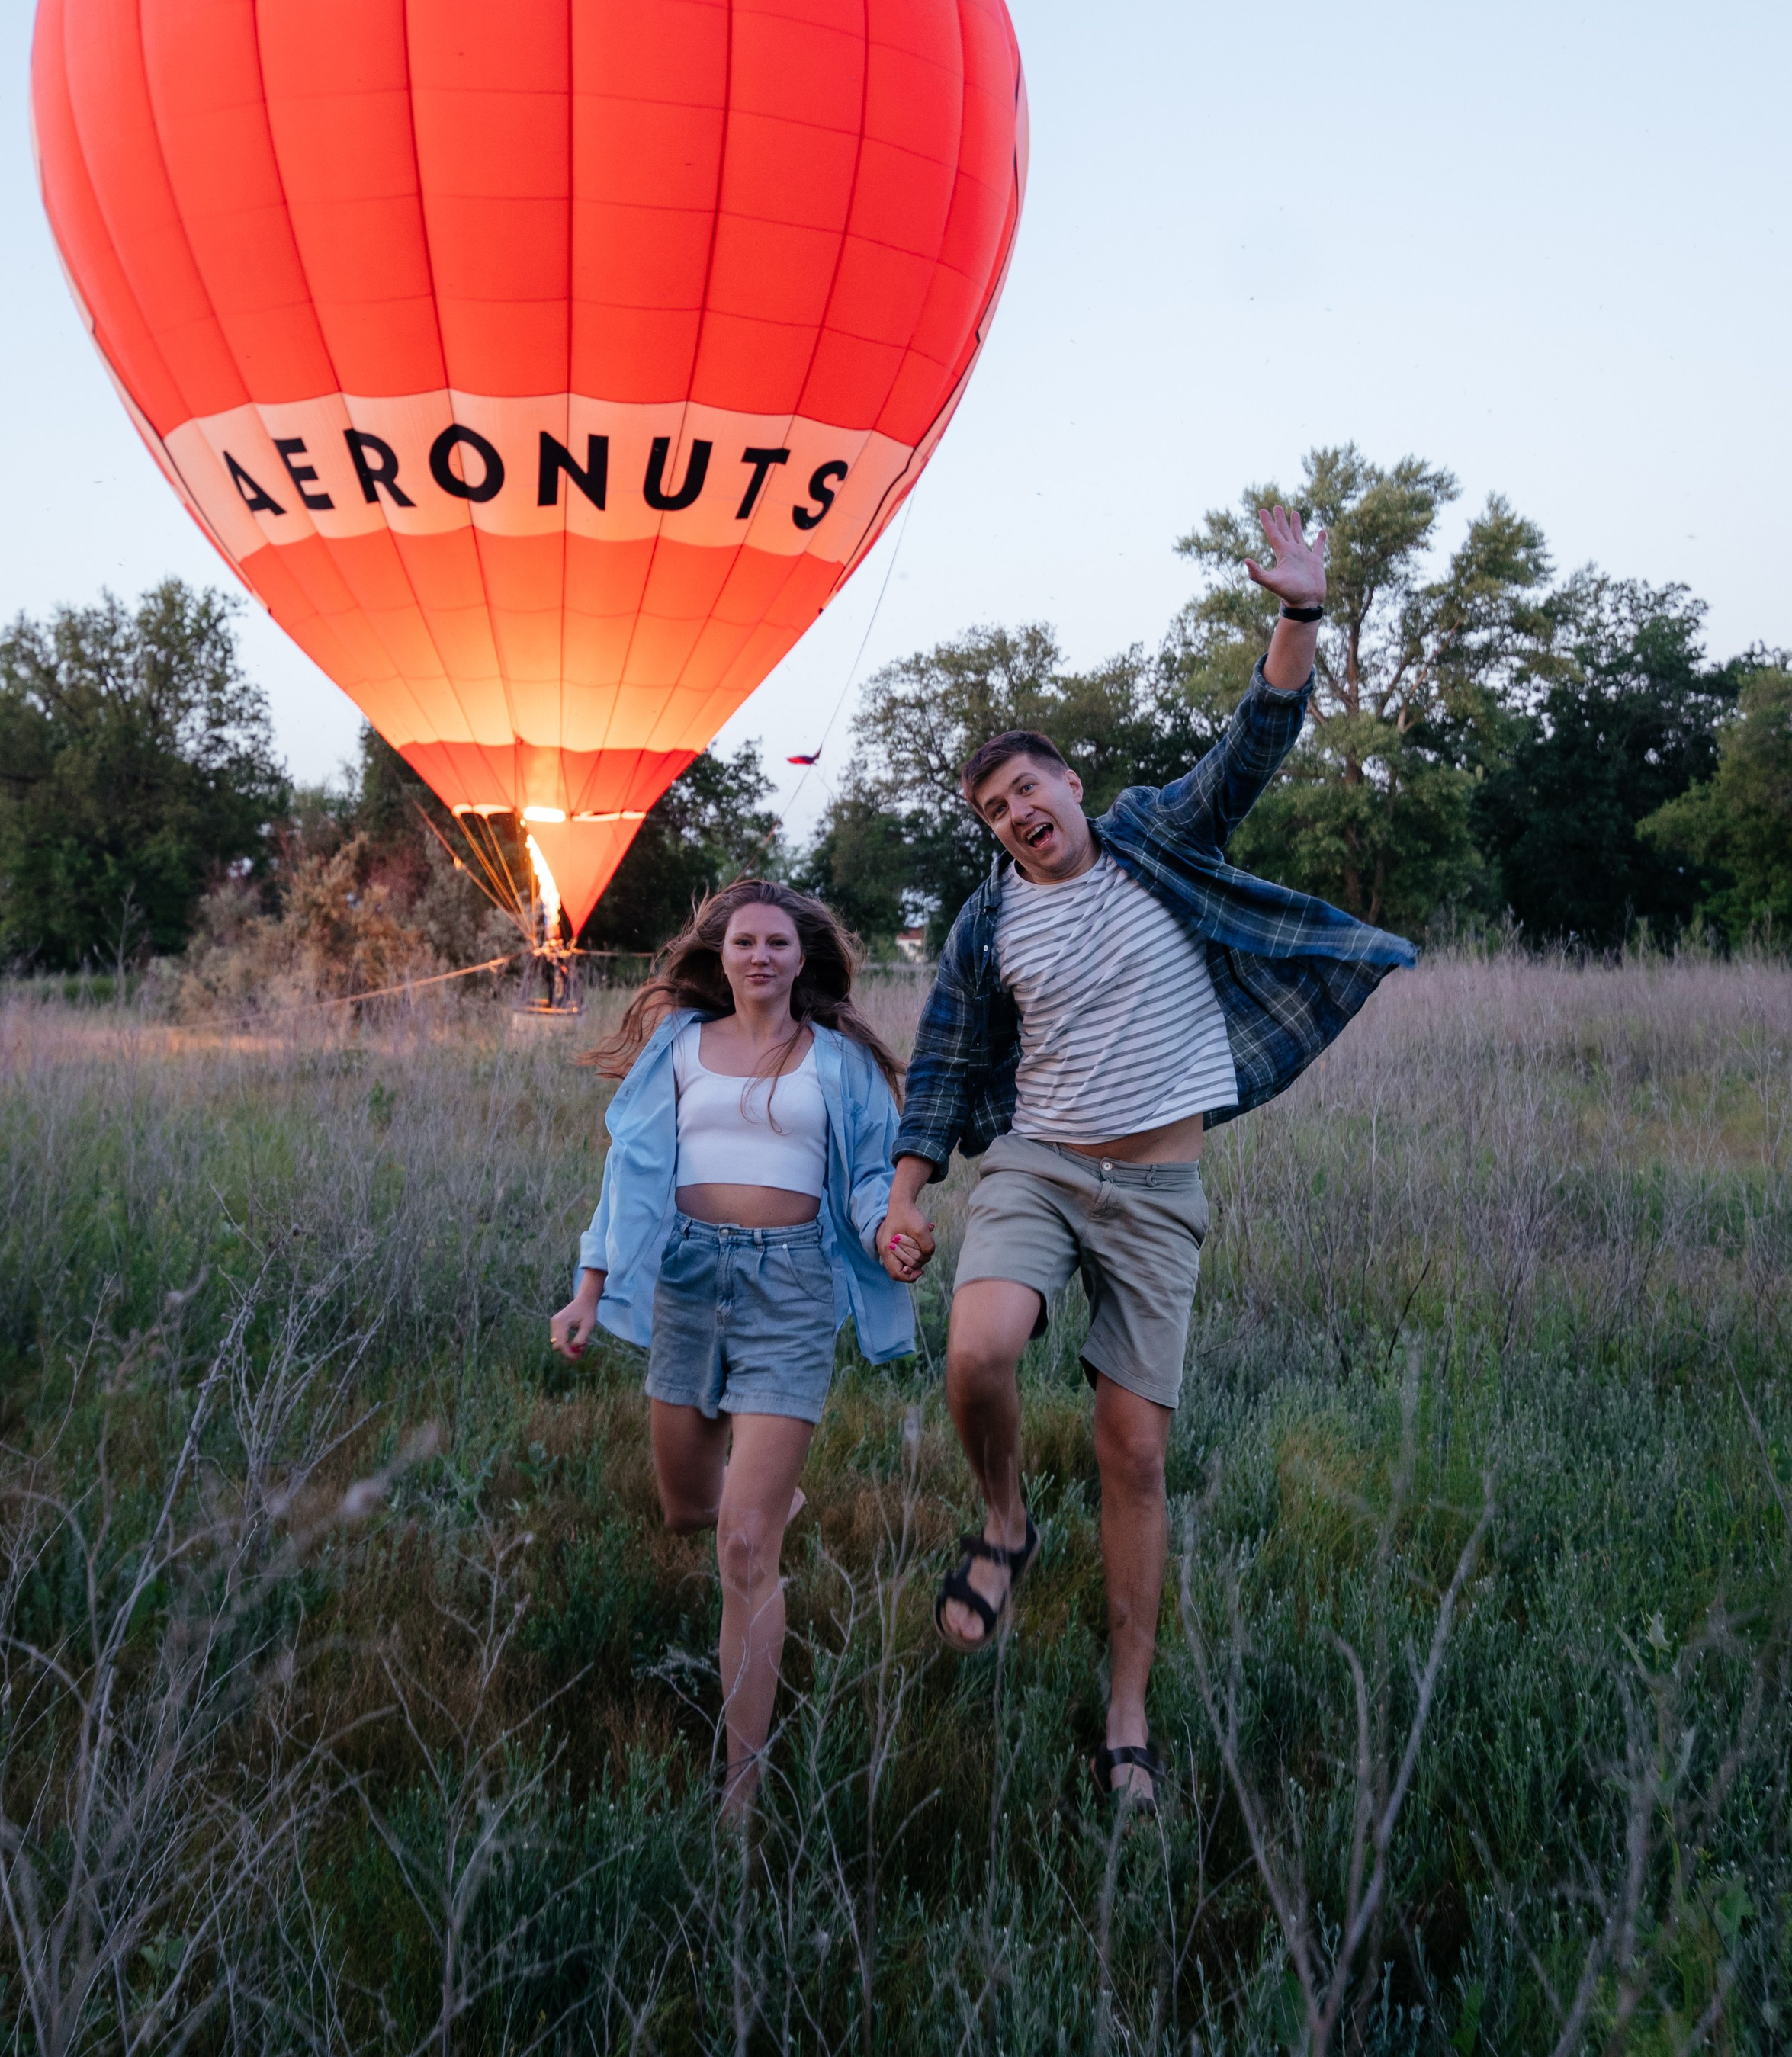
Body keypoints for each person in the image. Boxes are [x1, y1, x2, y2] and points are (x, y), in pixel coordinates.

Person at [875, 507, 1416, 1807]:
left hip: (1159, 1192)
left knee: (1135, 1452)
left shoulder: (1156, 840)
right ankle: (1006, 1519)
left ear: (1071, 785)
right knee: (980, 1347)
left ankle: (1127, 1705)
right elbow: (946, 1064)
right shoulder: (985, 921)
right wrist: (906, 1195)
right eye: (994, 809)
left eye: (1030, 791)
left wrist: (1299, 614)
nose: (1017, 815)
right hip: (1041, 1165)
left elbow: (1252, 749)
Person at [551, 879, 924, 1819]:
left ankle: (741, 1792)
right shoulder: (679, 1047)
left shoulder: (836, 1063)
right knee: (686, 1509)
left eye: (778, 943)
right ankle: (769, 1497)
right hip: (686, 1282)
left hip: (790, 1289)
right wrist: (589, 1287)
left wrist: (890, 1232)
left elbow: (869, 1180)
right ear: (720, 955)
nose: (761, 956)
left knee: (743, 1545)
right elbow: (629, 1166)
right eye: (744, 941)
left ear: (805, 959)